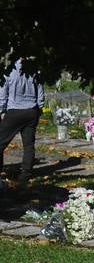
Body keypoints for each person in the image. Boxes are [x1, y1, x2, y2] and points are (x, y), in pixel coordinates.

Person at [0, 60, 44, 188]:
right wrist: (39, 108)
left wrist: (2, 110)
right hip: (31, 111)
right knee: (29, 145)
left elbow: (3, 94)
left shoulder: (9, 72)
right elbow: (40, 92)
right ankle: (26, 173)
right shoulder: (36, 71)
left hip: (14, 111)